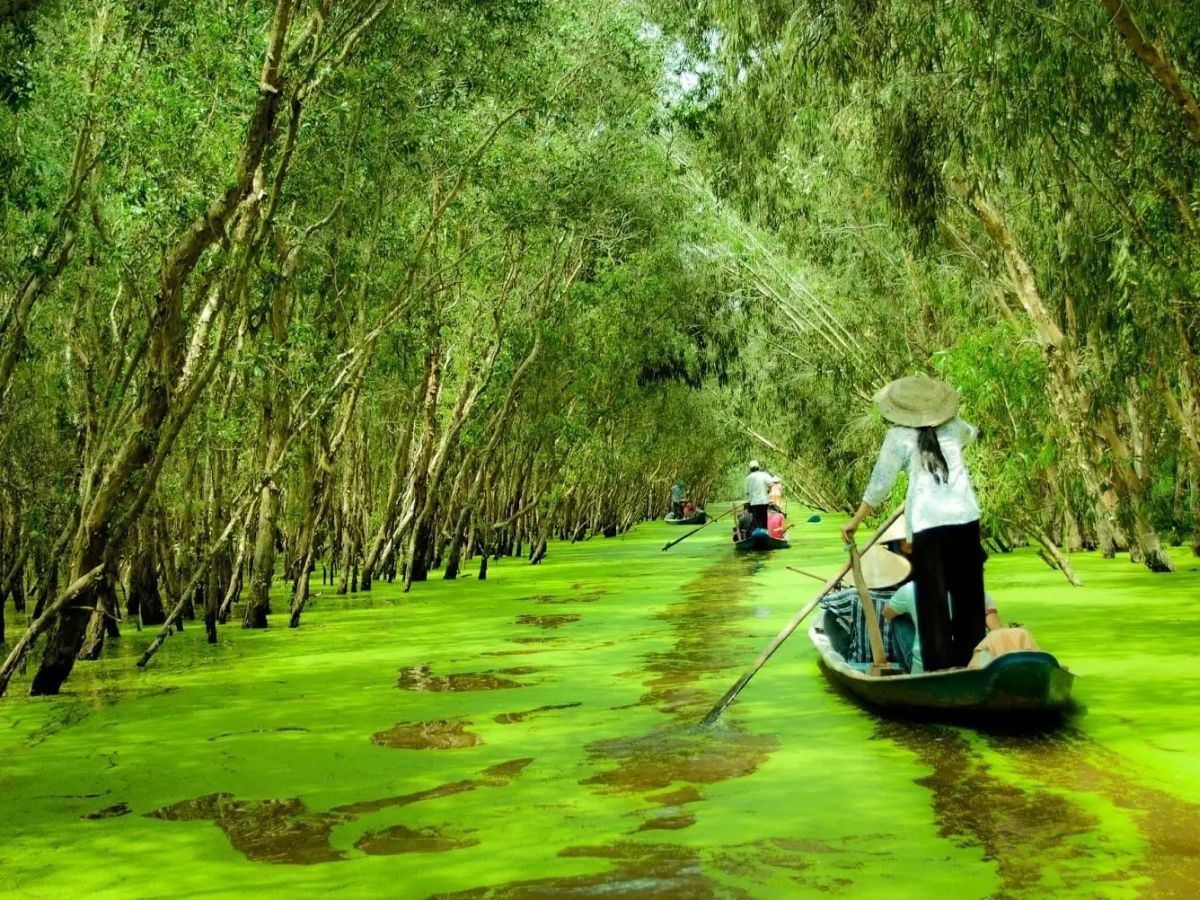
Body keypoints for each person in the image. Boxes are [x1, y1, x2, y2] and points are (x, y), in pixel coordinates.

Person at [840, 375, 986, 671]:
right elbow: (974, 434)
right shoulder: (955, 427)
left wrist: (855, 522)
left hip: (928, 524)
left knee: (932, 605)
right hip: (965, 518)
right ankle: (973, 664)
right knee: (969, 599)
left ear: (902, 410)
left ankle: (940, 671)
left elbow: (880, 484)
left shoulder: (898, 437)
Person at [745, 460, 773, 531]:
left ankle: (758, 532)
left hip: (754, 503)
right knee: (764, 518)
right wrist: (768, 491)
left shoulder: (747, 478)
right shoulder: (764, 474)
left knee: (756, 520)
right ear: (758, 467)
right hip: (764, 501)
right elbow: (771, 484)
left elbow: (747, 493)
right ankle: (765, 531)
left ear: (750, 469)